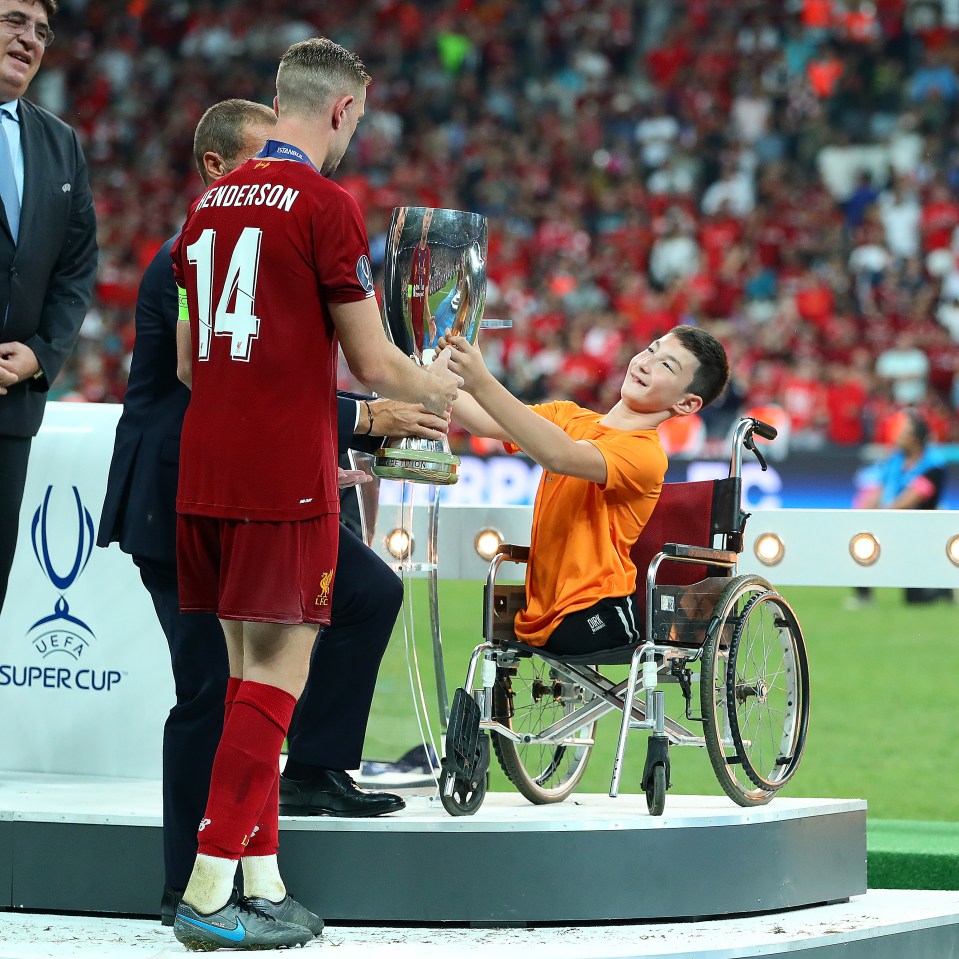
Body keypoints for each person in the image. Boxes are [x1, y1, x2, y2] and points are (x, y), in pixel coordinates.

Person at [96, 99, 450, 928]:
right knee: (221, 689)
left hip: (233, 479)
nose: (276, 176)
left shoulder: (206, 233)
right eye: (263, 159)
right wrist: (384, 410)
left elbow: (239, 368)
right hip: (191, 486)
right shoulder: (196, 248)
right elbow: (219, 379)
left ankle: (281, 831)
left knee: (363, 594)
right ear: (222, 168)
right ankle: (198, 882)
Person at [443, 325, 729, 654]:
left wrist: (480, 379)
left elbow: (559, 456)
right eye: (651, 349)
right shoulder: (567, 416)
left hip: (596, 612)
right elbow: (480, 420)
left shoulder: (646, 454)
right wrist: (424, 364)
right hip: (537, 615)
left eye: (667, 365)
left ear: (687, 403)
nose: (647, 363)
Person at [0, 0, 97, 614]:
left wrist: (40, 353)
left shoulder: (59, 143)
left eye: (41, 31)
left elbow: (76, 269)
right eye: (13, 21)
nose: (30, 39)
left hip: (10, 410)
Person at [849, 410, 953, 608]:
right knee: (861, 538)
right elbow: (879, 488)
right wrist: (861, 513)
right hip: (892, 519)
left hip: (920, 528)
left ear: (914, 439)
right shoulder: (895, 460)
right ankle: (864, 596)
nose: (897, 436)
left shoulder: (933, 465)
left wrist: (882, 513)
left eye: (903, 432)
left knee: (914, 600)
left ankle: (941, 589)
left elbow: (913, 497)